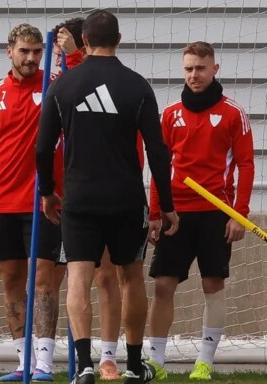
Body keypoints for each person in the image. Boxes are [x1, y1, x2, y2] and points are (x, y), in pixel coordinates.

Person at [36, 9, 179, 384]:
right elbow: (157, 151)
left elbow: (41, 148)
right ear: (119, 40)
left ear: (83, 41)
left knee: (79, 277)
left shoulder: (62, 86)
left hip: (79, 200)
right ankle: (133, 366)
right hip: (125, 200)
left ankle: (83, 365)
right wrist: (166, 206)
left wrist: (47, 192)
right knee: (130, 277)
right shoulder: (137, 86)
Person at [146, 41, 254, 381]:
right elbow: (158, 167)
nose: (194, 74)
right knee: (163, 285)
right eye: (189, 68)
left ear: (214, 69)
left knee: (213, 283)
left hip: (216, 212)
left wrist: (239, 214)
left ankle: (205, 361)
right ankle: (156, 363)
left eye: (201, 68)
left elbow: (246, 166)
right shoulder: (170, 113)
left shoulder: (233, 113)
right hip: (175, 212)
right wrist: (154, 212)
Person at [0, 23, 65, 383]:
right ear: (9, 52)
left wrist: (67, 54)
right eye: (24, 51)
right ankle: (23, 359)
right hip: (2, 200)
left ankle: (44, 363)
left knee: (43, 278)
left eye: (36, 51)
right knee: (11, 280)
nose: (30, 58)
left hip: (46, 201)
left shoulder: (54, 86)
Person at [54, 18, 125, 381]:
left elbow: (96, 87)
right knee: (61, 277)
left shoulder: (111, 78)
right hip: (68, 195)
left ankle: (109, 356)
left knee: (107, 275)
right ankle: (49, 359)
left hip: (109, 190)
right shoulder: (57, 84)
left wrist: (76, 56)